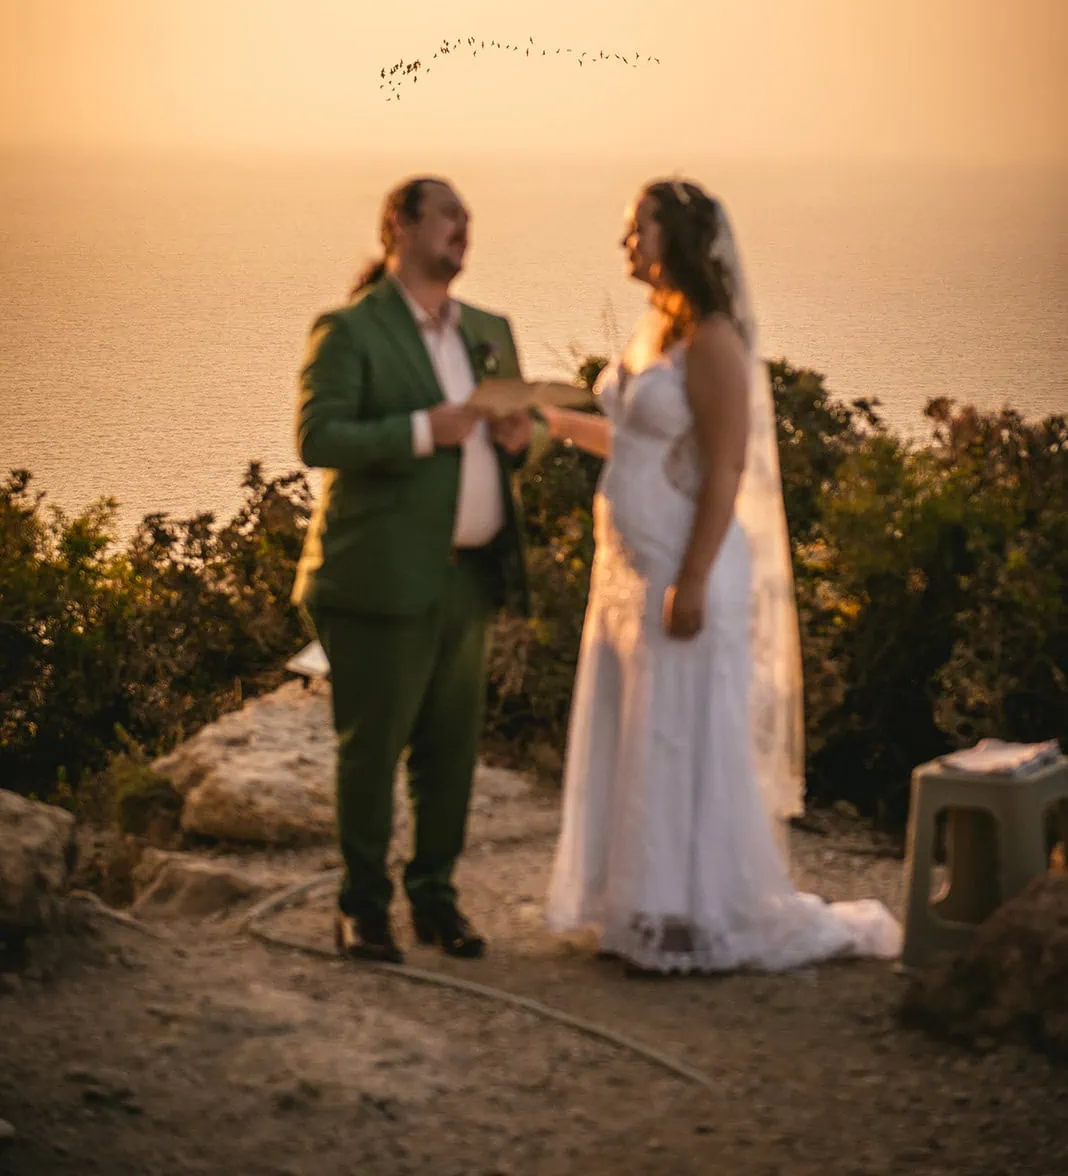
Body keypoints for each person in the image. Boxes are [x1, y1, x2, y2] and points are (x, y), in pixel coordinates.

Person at [542, 178, 901, 973]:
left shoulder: (712, 341)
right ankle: (638, 907)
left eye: (638, 228)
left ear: (678, 239)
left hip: (684, 562)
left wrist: (694, 577)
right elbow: (637, 443)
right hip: (628, 570)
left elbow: (727, 467)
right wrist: (553, 425)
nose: (626, 242)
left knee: (679, 733)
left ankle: (693, 915)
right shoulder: (655, 332)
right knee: (638, 730)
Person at [292, 176, 532, 964]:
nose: (464, 226)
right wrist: (425, 430)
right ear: (400, 223)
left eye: (469, 216)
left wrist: (519, 441)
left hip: (470, 578)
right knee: (372, 749)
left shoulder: (490, 330)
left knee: (450, 753)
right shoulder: (350, 329)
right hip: (378, 577)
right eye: (449, 215)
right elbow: (320, 437)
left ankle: (435, 900)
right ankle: (362, 908)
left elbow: (509, 448)